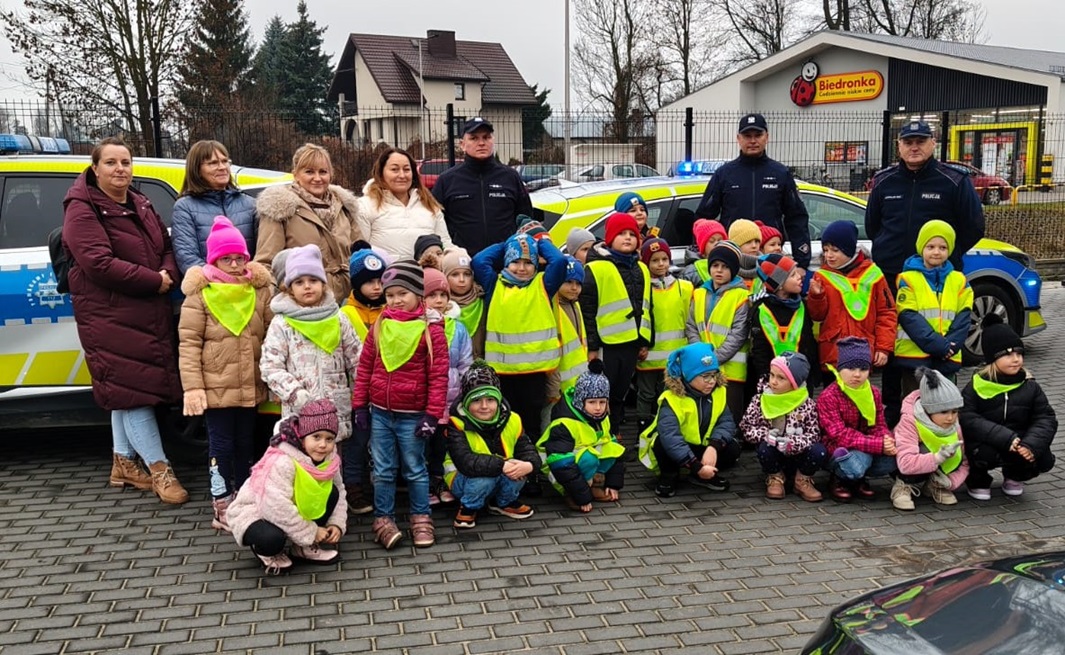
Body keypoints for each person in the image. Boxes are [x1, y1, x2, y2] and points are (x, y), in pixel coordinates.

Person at [62, 137, 188, 505]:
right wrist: (154, 281)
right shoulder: (82, 209)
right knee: (135, 395)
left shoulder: (140, 202)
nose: (120, 169)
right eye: (111, 162)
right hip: (109, 313)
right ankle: (160, 469)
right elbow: (98, 263)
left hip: (145, 311)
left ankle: (123, 463)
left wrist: (167, 273)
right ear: (95, 168)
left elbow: (166, 245)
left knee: (125, 389)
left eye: (125, 162)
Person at [178, 217, 274, 530]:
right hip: (215, 388)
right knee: (221, 447)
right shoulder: (200, 296)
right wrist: (193, 388)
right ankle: (221, 504)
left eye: (239, 258)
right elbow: (189, 344)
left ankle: (245, 500)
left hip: (249, 385)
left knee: (246, 444)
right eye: (226, 259)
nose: (234, 265)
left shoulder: (258, 291)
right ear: (213, 260)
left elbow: (271, 334)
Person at [352, 261, 448, 550]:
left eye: (402, 293)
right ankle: (383, 518)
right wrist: (360, 406)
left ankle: (421, 517)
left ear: (418, 294)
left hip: (413, 415)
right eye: (390, 294)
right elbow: (365, 367)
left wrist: (432, 415)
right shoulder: (381, 325)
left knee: (415, 469)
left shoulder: (431, 330)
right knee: (383, 470)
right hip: (381, 413)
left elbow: (439, 376)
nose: (395, 300)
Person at [227, 399, 347, 575]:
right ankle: (265, 552)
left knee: (332, 493)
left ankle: (303, 548)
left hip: (290, 506)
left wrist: (336, 523)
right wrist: (311, 531)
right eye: (316, 437)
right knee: (272, 539)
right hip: (256, 510)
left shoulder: (330, 459)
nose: (323, 445)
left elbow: (340, 491)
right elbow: (275, 506)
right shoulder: (282, 460)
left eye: (329, 439)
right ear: (302, 436)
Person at [260, 244, 361, 446]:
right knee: (301, 461)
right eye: (299, 282)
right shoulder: (282, 323)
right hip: (300, 412)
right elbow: (271, 367)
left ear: (323, 283)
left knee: (333, 460)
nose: (307, 286)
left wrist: (364, 395)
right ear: (289, 288)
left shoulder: (338, 318)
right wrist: (296, 395)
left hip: (335, 411)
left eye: (313, 280)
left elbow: (357, 358)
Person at [472, 232, 567, 446]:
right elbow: (479, 261)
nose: (522, 268)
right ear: (506, 262)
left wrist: (540, 242)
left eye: (528, 263)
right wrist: (508, 243)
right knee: (507, 418)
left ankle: (531, 457)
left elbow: (559, 261)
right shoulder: (494, 284)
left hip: (534, 371)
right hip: (503, 371)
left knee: (531, 419)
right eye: (515, 261)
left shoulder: (543, 284)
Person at [864, 120, 985, 284]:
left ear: (933, 143)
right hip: (890, 275)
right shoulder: (883, 181)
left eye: (920, 142)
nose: (914, 148)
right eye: (908, 143)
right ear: (899, 146)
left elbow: (974, 227)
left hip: (937, 277)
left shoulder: (955, 181)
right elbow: (872, 227)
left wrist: (946, 253)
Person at [694, 113, 811, 269]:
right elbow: (703, 219)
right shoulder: (724, 174)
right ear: (738, 138)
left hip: (771, 260)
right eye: (747, 136)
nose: (753, 141)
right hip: (732, 261)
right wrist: (704, 254)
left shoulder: (781, 173)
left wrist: (801, 262)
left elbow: (796, 218)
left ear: (767, 137)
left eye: (758, 135)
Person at [961, 315, 1057, 500]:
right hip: (988, 442)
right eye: (1008, 354)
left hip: (1017, 442)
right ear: (992, 358)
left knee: (1040, 454)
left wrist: (1030, 444)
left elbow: (1045, 418)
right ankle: (978, 480)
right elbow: (967, 417)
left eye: (1019, 354)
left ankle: (1015, 476)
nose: (1016, 359)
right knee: (977, 451)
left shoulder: (1030, 386)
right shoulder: (976, 386)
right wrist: (1004, 437)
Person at [255, 143, 361, 302]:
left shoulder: (344, 206)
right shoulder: (280, 208)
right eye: (309, 172)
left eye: (323, 172)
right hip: (304, 302)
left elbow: (361, 252)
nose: (317, 178)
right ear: (295, 175)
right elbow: (266, 264)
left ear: (331, 174)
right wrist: (278, 301)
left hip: (349, 299)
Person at [445, 362, 541, 528]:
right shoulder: (456, 424)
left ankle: (503, 502)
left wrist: (529, 465)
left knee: (519, 470)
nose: (484, 406)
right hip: (463, 479)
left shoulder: (512, 419)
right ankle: (468, 507)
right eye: (476, 400)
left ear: (498, 400)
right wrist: (502, 465)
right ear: (466, 402)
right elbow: (465, 461)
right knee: (484, 478)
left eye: (490, 400)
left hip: (499, 471)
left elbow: (527, 449)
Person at [580, 213, 652, 435]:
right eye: (621, 233)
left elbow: (647, 306)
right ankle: (601, 431)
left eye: (632, 234)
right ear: (610, 238)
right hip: (607, 343)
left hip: (632, 341)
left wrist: (645, 341)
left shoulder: (641, 268)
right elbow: (588, 311)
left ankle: (615, 429)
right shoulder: (595, 268)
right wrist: (592, 347)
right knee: (603, 390)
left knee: (621, 391)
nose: (628, 238)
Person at [638, 343, 737, 498]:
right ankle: (669, 476)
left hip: (701, 446)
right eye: (705, 376)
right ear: (688, 375)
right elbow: (671, 438)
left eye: (714, 375)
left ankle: (701, 476)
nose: (711, 381)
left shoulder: (718, 393)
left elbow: (727, 423)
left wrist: (713, 447)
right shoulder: (671, 399)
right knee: (662, 444)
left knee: (732, 449)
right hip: (676, 448)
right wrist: (696, 466)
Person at [894, 220, 972, 399]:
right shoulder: (908, 279)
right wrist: (939, 345)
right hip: (915, 358)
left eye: (943, 247)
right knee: (915, 405)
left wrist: (951, 345)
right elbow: (908, 317)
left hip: (947, 357)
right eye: (930, 246)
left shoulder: (959, 280)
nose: (936, 252)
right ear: (921, 247)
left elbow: (964, 317)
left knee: (947, 404)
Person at [432, 117, 533, 256]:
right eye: (474, 138)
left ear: (493, 141)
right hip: (463, 262)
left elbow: (525, 219)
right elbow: (435, 222)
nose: (481, 143)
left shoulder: (510, 177)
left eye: (486, 137)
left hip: (506, 260)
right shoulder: (447, 180)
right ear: (462, 144)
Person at [806, 220, 896, 375]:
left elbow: (886, 313)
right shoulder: (822, 276)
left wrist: (883, 347)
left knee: (859, 390)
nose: (829, 255)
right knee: (832, 391)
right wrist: (816, 296)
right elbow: (817, 316)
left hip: (863, 354)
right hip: (833, 354)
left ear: (848, 249)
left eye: (835, 250)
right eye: (825, 250)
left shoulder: (873, 274)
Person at [539, 360, 625, 512]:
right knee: (588, 457)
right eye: (592, 402)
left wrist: (613, 483)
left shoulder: (602, 417)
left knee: (612, 447)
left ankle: (594, 485)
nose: (598, 408)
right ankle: (571, 494)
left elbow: (614, 449)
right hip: (557, 467)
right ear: (580, 401)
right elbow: (560, 462)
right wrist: (581, 496)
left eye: (602, 402)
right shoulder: (564, 423)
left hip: (576, 466)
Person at [740, 352, 825, 502]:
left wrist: (794, 444)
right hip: (774, 453)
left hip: (799, 454)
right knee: (764, 448)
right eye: (772, 375)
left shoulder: (807, 404)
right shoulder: (760, 399)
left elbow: (814, 434)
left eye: (781, 378)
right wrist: (766, 435)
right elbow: (747, 427)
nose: (773, 381)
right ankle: (775, 477)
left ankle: (802, 480)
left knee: (819, 451)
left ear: (795, 382)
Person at [818, 337, 895, 502]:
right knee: (856, 462)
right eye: (851, 368)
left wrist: (887, 441)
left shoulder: (873, 392)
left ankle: (857, 476)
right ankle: (840, 478)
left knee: (893, 460)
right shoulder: (829, 396)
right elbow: (839, 435)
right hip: (838, 448)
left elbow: (879, 424)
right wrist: (877, 445)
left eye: (863, 368)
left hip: (866, 445)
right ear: (840, 368)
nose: (857, 374)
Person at [423, 266, 473, 506]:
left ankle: (441, 480)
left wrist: (465, 393)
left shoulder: (458, 328)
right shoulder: (417, 326)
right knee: (425, 445)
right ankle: (426, 484)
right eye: (432, 295)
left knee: (444, 445)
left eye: (443, 295)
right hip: (425, 399)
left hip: (451, 398)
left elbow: (465, 362)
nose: (439, 300)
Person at [171, 140, 258, 274]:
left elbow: (262, 253)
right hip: (209, 285)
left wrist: (248, 276)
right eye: (213, 163)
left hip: (248, 283)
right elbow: (187, 257)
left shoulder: (250, 204)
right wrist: (222, 280)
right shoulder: (185, 207)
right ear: (197, 170)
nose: (222, 167)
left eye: (225, 161)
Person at [686, 243, 750, 422]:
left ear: (734, 270)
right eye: (715, 265)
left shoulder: (741, 296)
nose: (719, 270)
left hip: (730, 370)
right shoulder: (699, 293)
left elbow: (738, 334)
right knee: (705, 413)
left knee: (729, 413)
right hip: (703, 366)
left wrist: (712, 359)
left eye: (725, 267)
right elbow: (691, 325)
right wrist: (701, 355)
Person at [353, 147, 451, 262]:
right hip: (387, 273)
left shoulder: (430, 206)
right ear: (381, 173)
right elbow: (360, 251)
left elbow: (446, 245)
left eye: (406, 169)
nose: (402, 175)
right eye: (394, 169)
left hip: (426, 273)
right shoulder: (365, 206)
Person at [635, 237, 692, 433]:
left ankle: (668, 430)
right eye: (655, 260)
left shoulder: (684, 288)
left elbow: (689, 320)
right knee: (646, 394)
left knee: (670, 394)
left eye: (664, 259)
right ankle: (643, 431)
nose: (661, 264)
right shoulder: (642, 289)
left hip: (675, 356)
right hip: (648, 356)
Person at [893, 368, 968, 510]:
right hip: (905, 464)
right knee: (924, 448)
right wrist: (937, 458)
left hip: (937, 468)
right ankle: (903, 486)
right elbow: (905, 463)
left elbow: (965, 461)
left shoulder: (955, 423)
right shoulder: (909, 421)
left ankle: (935, 485)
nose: (950, 418)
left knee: (956, 452)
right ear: (928, 410)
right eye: (943, 412)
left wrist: (950, 482)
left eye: (954, 411)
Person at [748, 254, 820, 391]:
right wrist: (765, 379)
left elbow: (809, 342)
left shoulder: (803, 305)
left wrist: (813, 373)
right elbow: (759, 350)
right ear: (779, 285)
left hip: (801, 379)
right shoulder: (761, 310)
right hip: (773, 382)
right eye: (792, 275)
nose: (799, 277)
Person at [545, 256, 588, 428]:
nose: (574, 287)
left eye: (578, 283)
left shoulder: (575, 305)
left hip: (574, 384)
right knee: (551, 422)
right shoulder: (552, 307)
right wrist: (553, 388)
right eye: (568, 282)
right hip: (557, 384)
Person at [426, 247, 486, 359]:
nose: (462, 279)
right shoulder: (439, 306)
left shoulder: (484, 301)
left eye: (467, 274)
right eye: (455, 274)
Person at [341, 242, 387, 343]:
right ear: (357, 284)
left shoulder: (390, 309)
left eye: (380, 282)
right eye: (369, 282)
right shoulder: (345, 313)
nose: (377, 287)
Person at [679, 219, 727, 286]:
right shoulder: (690, 273)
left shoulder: (732, 265)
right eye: (712, 241)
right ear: (703, 246)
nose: (717, 244)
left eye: (720, 240)